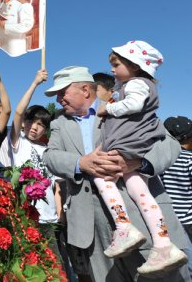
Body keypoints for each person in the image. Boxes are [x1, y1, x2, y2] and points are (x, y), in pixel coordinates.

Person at [42, 66, 190, 281]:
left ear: (85, 89)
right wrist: (80, 163)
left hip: (142, 221)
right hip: (92, 230)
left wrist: (138, 163)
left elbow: (168, 144)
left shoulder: (123, 107)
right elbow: (50, 157)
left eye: (62, 92)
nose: (58, 99)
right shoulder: (59, 123)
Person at [92, 41, 186, 275]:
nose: (112, 70)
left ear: (134, 66)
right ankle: (163, 244)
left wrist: (108, 109)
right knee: (139, 191)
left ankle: (123, 227)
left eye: (116, 64)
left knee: (102, 178)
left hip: (127, 145)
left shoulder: (136, 84)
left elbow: (133, 105)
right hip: (131, 147)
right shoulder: (135, 84)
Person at [0, 70, 63, 256]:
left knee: (55, 265)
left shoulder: (48, 151)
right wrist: (35, 83)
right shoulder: (17, 143)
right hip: (26, 216)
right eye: (32, 122)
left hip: (50, 218)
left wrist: (59, 211)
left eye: (41, 124)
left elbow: (56, 185)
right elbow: (17, 112)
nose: (35, 127)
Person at [161, 116, 192, 276]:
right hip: (189, 218)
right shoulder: (189, 160)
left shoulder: (163, 160)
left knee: (183, 259)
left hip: (170, 219)